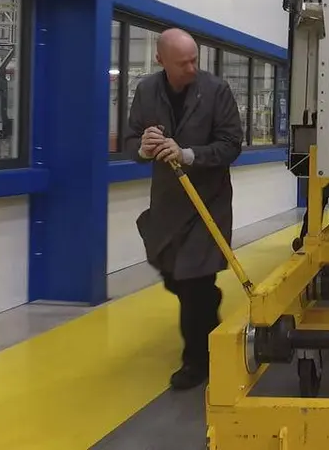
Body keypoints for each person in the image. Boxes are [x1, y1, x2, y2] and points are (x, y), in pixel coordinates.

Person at [124, 28, 244, 390]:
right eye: (183, 63)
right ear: (160, 60)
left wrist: (188, 154)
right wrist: (143, 148)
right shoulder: (146, 90)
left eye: (194, 60)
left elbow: (231, 145)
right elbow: (131, 140)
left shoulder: (216, 90)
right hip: (167, 205)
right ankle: (208, 301)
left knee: (193, 284)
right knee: (175, 277)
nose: (192, 68)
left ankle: (197, 362)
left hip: (207, 203)